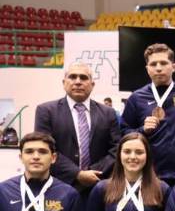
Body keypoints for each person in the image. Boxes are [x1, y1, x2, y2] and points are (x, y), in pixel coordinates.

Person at [121, 43, 175, 188]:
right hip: (149, 176)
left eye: (163, 63)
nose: (159, 68)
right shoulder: (136, 98)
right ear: (147, 69)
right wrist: (142, 130)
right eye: (153, 64)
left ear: (173, 67)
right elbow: (124, 133)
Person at [34, 63, 120, 193]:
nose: (78, 82)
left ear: (92, 84)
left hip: (98, 186)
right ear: (64, 82)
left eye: (83, 78)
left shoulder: (108, 113)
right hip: (58, 185)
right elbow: (46, 148)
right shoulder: (46, 111)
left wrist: (92, 173)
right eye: (72, 77)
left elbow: (116, 148)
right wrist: (77, 174)